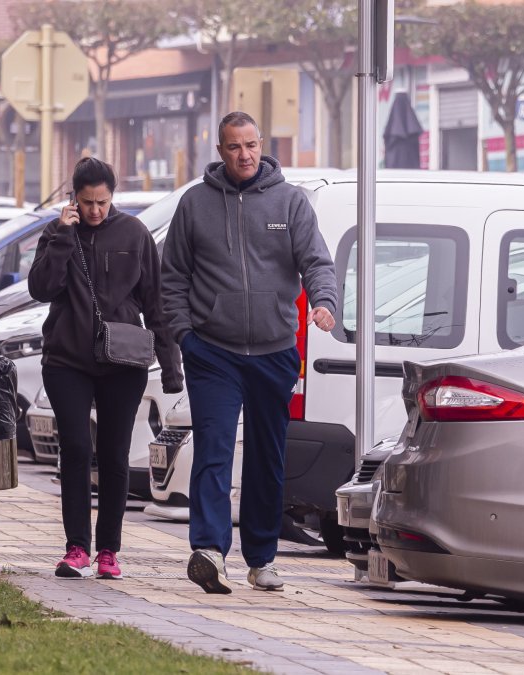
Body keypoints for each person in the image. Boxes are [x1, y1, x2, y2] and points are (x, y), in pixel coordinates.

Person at [160, 111, 338, 594]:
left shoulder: (290, 201)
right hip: (212, 351)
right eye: (235, 147)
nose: (245, 155)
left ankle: (261, 559)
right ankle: (210, 552)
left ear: (263, 144)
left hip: (275, 350)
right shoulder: (195, 204)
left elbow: (317, 262)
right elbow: (171, 276)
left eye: (252, 145)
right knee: (214, 451)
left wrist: (324, 302)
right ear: (221, 151)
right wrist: (185, 335)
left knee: (267, 456)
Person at [29, 157, 183, 580]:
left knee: (114, 455)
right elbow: (41, 288)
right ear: (73, 199)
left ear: (112, 196)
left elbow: (157, 304)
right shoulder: (58, 231)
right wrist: (62, 235)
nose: (95, 211)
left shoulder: (134, 234)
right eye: (87, 202)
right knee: (76, 450)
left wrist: (172, 370)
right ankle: (76, 547)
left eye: (102, 202)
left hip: (122, 362)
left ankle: (109, 551)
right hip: (66, 361)